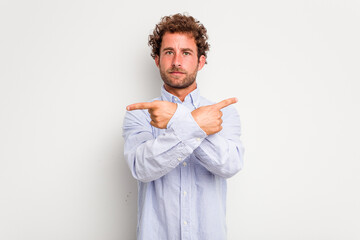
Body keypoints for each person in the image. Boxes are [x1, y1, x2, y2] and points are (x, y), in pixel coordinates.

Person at [123, 13, 244, 240]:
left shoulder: (223, 112)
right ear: (157, 60)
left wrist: (175, 118)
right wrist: (194, 123)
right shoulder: (139, 114)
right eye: (169, 52)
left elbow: (229, 165)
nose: (177, 61)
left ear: (201, 61)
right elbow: (141, 168)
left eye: (186, 53)